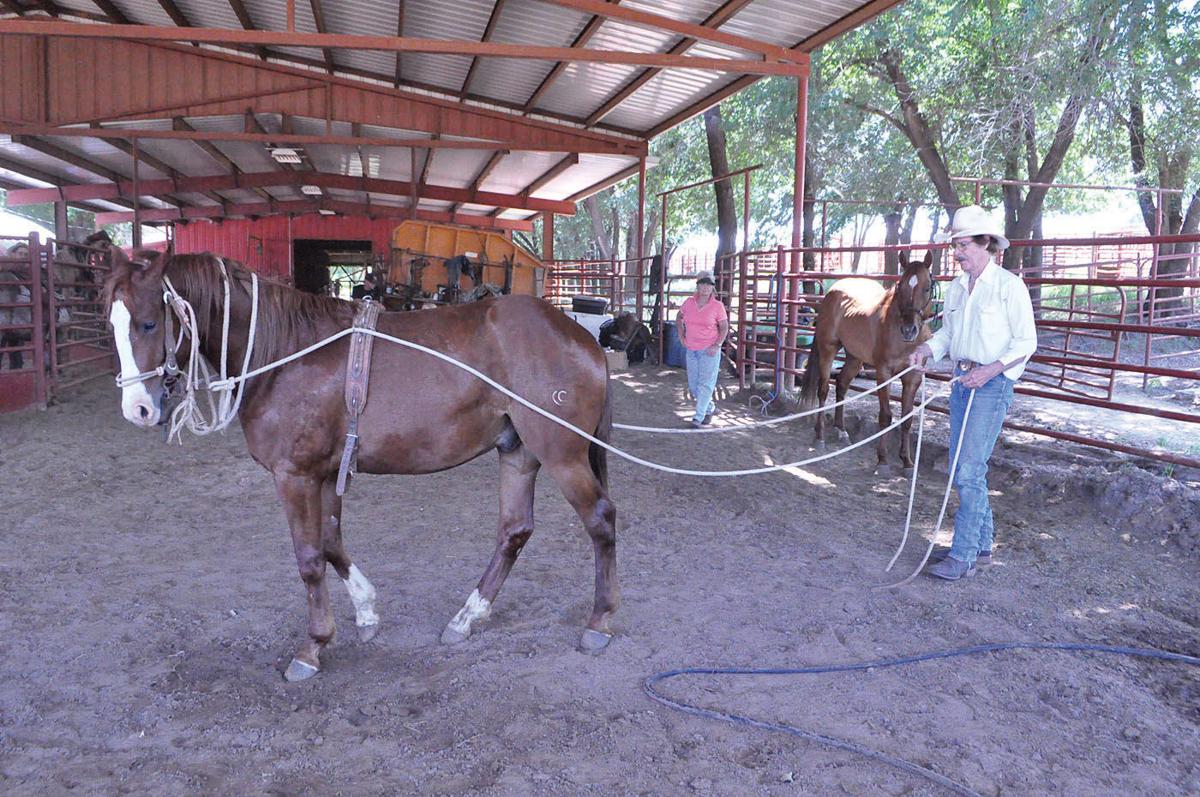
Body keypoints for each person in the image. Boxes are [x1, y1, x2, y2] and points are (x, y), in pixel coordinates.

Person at [908, 205, 1037, 581]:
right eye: (956, 246)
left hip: (991, 385)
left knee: (967, 470)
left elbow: (1026, 342)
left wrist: (991, 370)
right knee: (965, 469)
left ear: (986, 245)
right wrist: (927, 350)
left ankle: (962, 555)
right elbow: (948, 334)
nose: (958, 252)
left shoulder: (1009, 287)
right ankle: (980, 545)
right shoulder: (956, 287)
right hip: (963, 381)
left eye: (963, 245)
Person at [677, 271, 729, 428]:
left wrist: (717, 344)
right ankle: (709, 408)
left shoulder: (717, 306)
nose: (706, 287)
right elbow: (679, 318)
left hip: (709, 350)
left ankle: (698, 417)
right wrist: (681, 336)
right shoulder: (688, 303)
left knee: (705, 384)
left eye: (709, 284)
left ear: (712, 287)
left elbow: (724, 327)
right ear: (697, 285)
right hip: (691, 349)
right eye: (703, 283)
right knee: (693, 386)